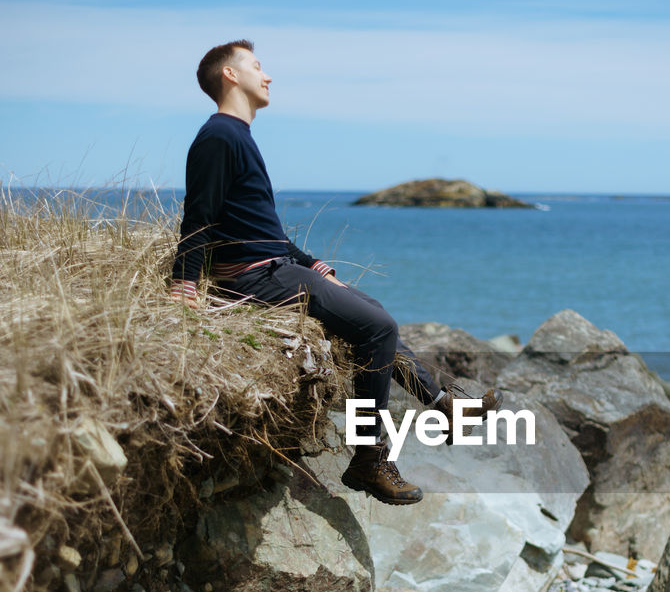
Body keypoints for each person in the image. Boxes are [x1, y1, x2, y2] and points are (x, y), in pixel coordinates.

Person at [169, 39, 501, 506]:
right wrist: (182, 286)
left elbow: (255, 225)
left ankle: (446, 406)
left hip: (277, 267)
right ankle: (370, 457)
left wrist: (314, 265)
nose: (267, 76)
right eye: (257, 67)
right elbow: (199, 215)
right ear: (230, 75)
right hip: (254, 277)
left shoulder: (238, 136)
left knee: (373, 312)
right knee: (378, 326)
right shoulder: (219, 136)